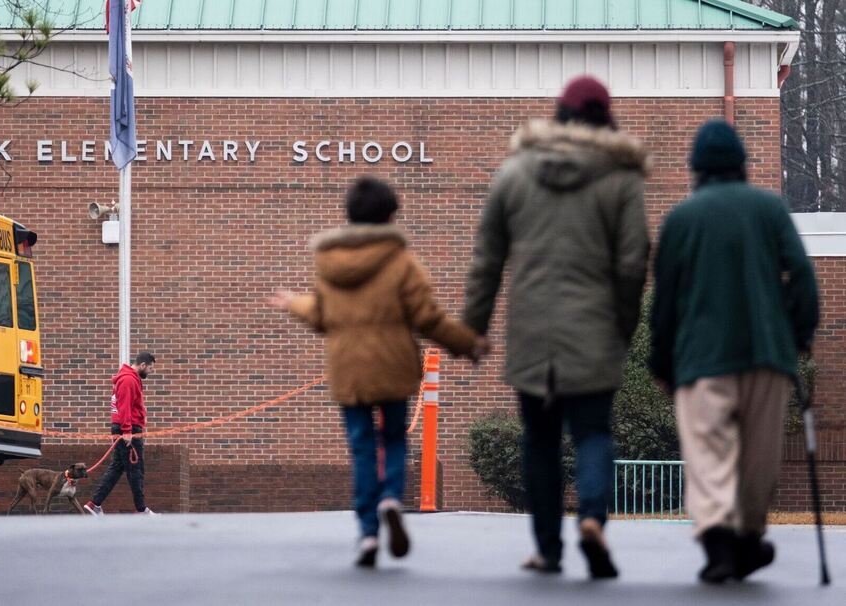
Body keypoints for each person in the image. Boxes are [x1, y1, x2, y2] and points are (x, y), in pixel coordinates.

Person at [462, 76, 650, 579]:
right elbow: (633, 262)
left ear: (559, 115)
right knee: (592, 432)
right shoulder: (621, 179)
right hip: (595, 329)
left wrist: (474, 328)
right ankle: (591, 518)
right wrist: (624, 324)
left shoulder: (516, 172)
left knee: (539, 440)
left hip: (532, 333)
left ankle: (548, 549)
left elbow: (487, 259)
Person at [270, 176, 485, 568]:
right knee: (394, 439)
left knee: (361, 447)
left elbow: (321, 315)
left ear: (349, 215)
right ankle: (390, 499)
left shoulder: (329, 262)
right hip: (392, 365)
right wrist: (466, 343)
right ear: (390, 216)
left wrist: (293, 303)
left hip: (348, 368)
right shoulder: (401, 261)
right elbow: (427, 317)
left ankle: (368, 531)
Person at [649, 119, 819, 584]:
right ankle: (747, 537)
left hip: (702, 360)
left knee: (708, 452)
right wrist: (799, 335)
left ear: (697, 169)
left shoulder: (681, 219)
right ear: (742, 164)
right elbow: (803, 276)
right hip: (767, 355)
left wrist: (662, 361)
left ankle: (719, 542)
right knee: (758, 457)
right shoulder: (770, 209)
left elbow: (665, 302)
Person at [83, 351, 157, 515]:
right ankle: (141, 510)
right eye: (150, 368)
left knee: (117, 467)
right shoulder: (128, 380)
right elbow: (124, 407)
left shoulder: (129, 378)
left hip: (125, 429)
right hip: (128, 431)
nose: (150, 372)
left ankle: (94, 503)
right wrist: (127, 431)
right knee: (136, 469)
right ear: (142, 365)